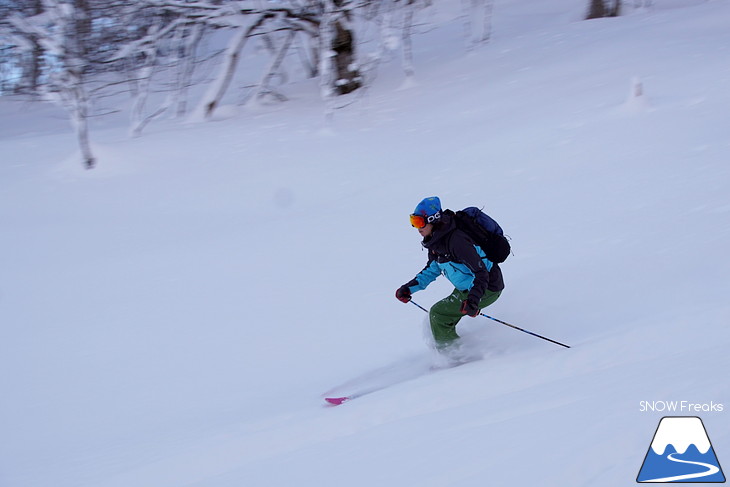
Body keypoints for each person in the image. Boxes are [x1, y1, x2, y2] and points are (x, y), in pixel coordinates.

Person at [395, 196, 504, 357]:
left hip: (487, 288)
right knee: (442, 316)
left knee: (438, 314)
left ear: (433, 219)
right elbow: (432, 269)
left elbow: (481, 273)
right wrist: (408, 289)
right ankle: (458, 350)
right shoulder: (435, 241)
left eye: (419, 222)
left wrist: (473, 301)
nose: (416, 228)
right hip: (466, 287)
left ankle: (456, 357)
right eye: (413, 221)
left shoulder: (457, 242)